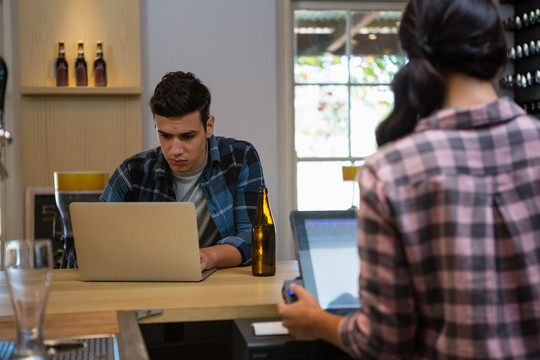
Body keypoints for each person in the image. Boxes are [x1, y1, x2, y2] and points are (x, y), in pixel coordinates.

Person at [278, 0, 540, 358]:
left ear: (413, 53)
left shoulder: (390, 171)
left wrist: (315, 322)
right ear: (498, 50)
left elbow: (383, 341)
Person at [100, 71, 266, 271]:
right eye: (165, 136)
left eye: (187, 136)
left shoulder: (240, 158)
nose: (175, 150)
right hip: (150, 283)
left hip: (219, 282)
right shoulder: (132, 173)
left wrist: (210, 256)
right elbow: (97, 241)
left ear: (209, 126)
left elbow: (254, 237)